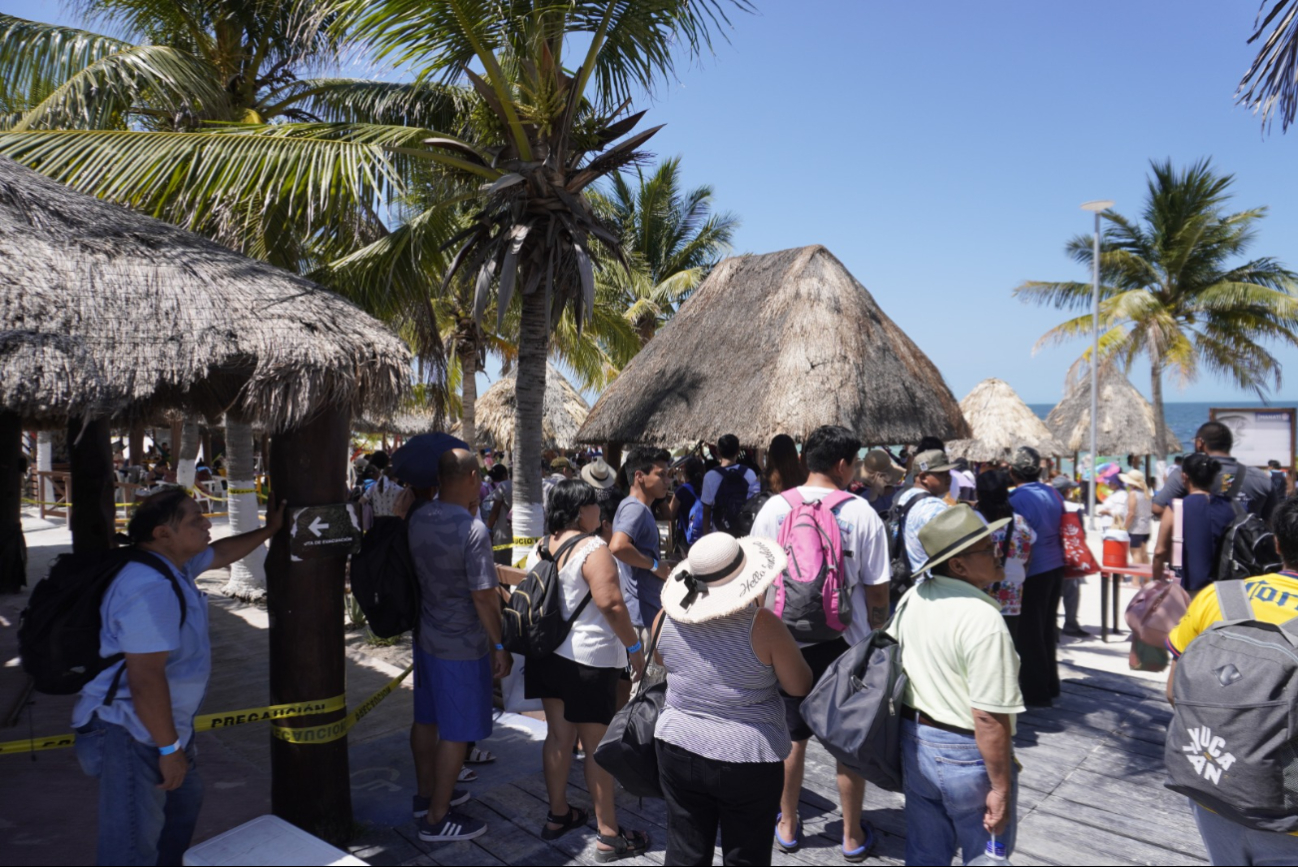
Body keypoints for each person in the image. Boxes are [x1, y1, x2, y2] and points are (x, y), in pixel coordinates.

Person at [73, 489, 286, 866]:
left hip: (163, 729)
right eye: (194, 520)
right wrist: (169, 749)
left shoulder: (172, 566)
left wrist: (269, 529)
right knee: (131, 848)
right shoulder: (148, 586)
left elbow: (221, 553)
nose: (206, 524)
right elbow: (145, 679)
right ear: (162, 534)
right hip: (131, 731)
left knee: (182, 810)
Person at [751, 424, 891, 861]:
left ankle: (788, 824)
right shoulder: (862, 513)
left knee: (792, 736)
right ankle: (851, 835)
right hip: (845, 643)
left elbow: (755, 581)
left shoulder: (774, 509)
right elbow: (878, 591)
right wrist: (876, 635)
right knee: (848, 737)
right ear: (844, 464)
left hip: (784, 639)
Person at [652, 532, 813, 866]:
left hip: (676, 745)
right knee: (746, 856)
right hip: (747, 757)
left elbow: (662, 661)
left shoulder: (665, 618)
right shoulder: (763, 626)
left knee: (684, 851)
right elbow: (800, 685)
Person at [888, 505, 1024, 866]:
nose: (999, 551)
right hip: (965, 754)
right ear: (958, 565)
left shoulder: (913, 598)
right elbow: (988, 717)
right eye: (987, 548)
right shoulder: (983, 619)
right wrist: (1000, 787)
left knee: (924, 853)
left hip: (915, 742)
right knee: (985, 856)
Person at [1165, 494, 1298, 865]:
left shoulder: (1218, 597)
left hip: (1214, 796)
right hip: (1287, 818)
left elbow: (1175, 691)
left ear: (1276, 542)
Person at [523, 480, 650, 860]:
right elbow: (611, 603)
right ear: (582, 510)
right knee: (597, 748)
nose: (601, 511)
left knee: (558, 739)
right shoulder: (593, 548)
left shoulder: (542, 546)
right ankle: (609, 834)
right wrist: (635, 647)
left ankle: (558, 814)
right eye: (596, 504)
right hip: (588, 661)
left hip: (548, 657)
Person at [408, 448, 510, 842]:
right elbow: (485, 595)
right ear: (471, 477)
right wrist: (500, 645)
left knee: (426, 720)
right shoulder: (472, 529)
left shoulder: (418, 517)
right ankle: (437, 818)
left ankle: (426, 796)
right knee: (455, 732)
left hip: (426, 636)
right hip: (461, 645)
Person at [1007, 446, 1067, 706]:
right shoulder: (1051, 491)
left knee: (1030, 634)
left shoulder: (1017, 499)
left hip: (1035, 570)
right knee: (1046, 628)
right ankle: (1051, 685)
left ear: (1012, 471)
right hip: (1056, 565)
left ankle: (1036, 693)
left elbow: (1021, 539)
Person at [1153, 422, 1280, 522]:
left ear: (1199, 443)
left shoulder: (1185, 474)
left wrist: (1188, 524)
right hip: (1243, 552)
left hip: (1199, 550)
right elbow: (1271, 520)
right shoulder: (1261, 478)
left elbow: (1158, 508)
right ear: (1229, 444)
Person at [609, 447, 674, 636]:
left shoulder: (635, 506)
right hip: (641, 615)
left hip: (641, 611)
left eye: (668, 475)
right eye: (661, 475)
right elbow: (618, 546)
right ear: (639, 476)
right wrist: (655, 565)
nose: (667, 481)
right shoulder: (635, 508)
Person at [1152, 453, 1236, 595]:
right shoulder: (1232, 506)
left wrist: (1156, 584)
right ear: (1213, 478)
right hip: (1226, 590)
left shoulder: (1176, 507)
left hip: (1190, 587)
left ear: (1184, 477)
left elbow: (1160, 552)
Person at [975, 468, 1036, 641]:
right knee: (1008, 649)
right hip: (1013, 599)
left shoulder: (972, 522)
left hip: (978, 597)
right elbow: (1028, 557)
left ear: (978, 493)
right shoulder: (1020, 522)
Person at [893, 449, 955, 579]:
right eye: (942, 473)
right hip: (932, 585)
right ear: (923, 477)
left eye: (948, 472)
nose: (949, 477)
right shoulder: (933, 507)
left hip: (909, 581)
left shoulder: (904, 497)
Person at [701, 434, 760, 534]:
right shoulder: (749, 473)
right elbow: (756, 505)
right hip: (745, 533)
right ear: (738, 451)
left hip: (720, 534)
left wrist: (705, 537)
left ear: (718, 451)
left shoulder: (710, 476)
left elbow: (706, 511)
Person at [668, 456, 705, 557]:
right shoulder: (708, 487)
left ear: (685, 472)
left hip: (686, 538)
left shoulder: (682, 490)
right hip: (707, 535)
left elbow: (670, 515)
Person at [1120, 469, 1153, 566]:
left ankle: (1135, 580)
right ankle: (1146, 578)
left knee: (1135, 553)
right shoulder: (1147, 493)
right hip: (1146, 527)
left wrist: (1124, 528)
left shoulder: (1133, 494)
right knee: (1144, 554)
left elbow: (1131, 514)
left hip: (1135, 529)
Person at [485, 464, 513, 566]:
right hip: (525, 538)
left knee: (503, 572)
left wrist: (488, 529)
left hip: (504, 538)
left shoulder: (504, 486)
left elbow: (495, 511)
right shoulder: (533, 487)